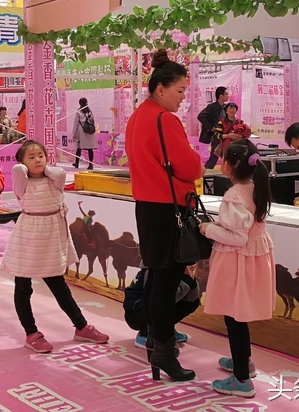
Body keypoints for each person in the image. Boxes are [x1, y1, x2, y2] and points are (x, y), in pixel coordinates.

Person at [125, 49, 204, 382]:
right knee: (165, 282)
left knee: (157, 278)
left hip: (147, 207)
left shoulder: (138, 116)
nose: (182, 98)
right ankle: (163, 350)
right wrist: (196, 163)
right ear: (161, 89)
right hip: (170, 209)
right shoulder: (164, 119)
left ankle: (158, 346)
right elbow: (190, 166)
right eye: (180, 91)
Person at [1, 140, 109, 352]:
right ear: (22, 163)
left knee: (59, 286)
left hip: (51, 238)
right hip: (29, 239)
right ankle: (31, 333)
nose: (37, 160)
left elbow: (59, 173)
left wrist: (43, 165)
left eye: (40, 155)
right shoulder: (22, 183)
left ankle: (81, 326)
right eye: (31, 157)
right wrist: (22, 165)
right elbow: (16, 171)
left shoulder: (55, 179)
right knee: (23, 288)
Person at [199, 138, 275, 398]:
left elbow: (237, 237)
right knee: (238, 313)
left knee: (235, 317)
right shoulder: (255, 187)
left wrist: (208, 228)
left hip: (237, 261)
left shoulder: (233, 196)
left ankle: (242, 378)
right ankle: (244, 361)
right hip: (251, 259)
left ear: (229, 165)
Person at [124, 266, 200, 349]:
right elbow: (163, 301)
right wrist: (187, 280)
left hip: (150, 306)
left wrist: (192, 280)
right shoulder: (154, 270)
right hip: (135, 315)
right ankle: (146, 335)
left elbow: (192, 298)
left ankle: (166, 330)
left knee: (193, 303)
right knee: (160, 303)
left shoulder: (175, 268)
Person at [198, 86, 229, 169]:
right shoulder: (212, 107)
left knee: (225, 156)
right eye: (226, 94)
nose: (228, 96)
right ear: (221, 96)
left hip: (225, 135)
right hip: (216, 135)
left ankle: (227, 172)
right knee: (214, 156)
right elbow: (201, 116)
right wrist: (211, 128)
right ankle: (206, 172)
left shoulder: (226, 107)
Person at [73, 97, 98, 170]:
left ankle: (76, 163)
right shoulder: (89, 111)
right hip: (89, 131)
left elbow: (76, 123)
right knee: (90, 149)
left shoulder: (79, 111)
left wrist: (74, 133)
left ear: (80, 103)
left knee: (79, 147)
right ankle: (91, 164)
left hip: (81, 130)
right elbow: (93, 121)